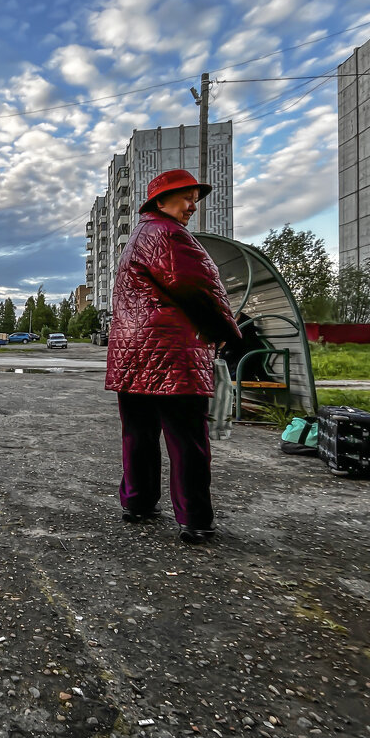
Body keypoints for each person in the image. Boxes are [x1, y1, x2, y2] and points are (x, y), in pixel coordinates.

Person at [105, 169, 241, 545]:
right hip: (170, 353)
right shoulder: (169, 235)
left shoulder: (136, 238)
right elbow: (200, 287)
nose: (192, 206)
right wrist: (228, 333)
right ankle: (195, 519)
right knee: (187, 441)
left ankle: (138, 502)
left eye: (195, 198)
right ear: (160, 202)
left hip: (132, 354)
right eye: (186, 197)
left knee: (139, 434)